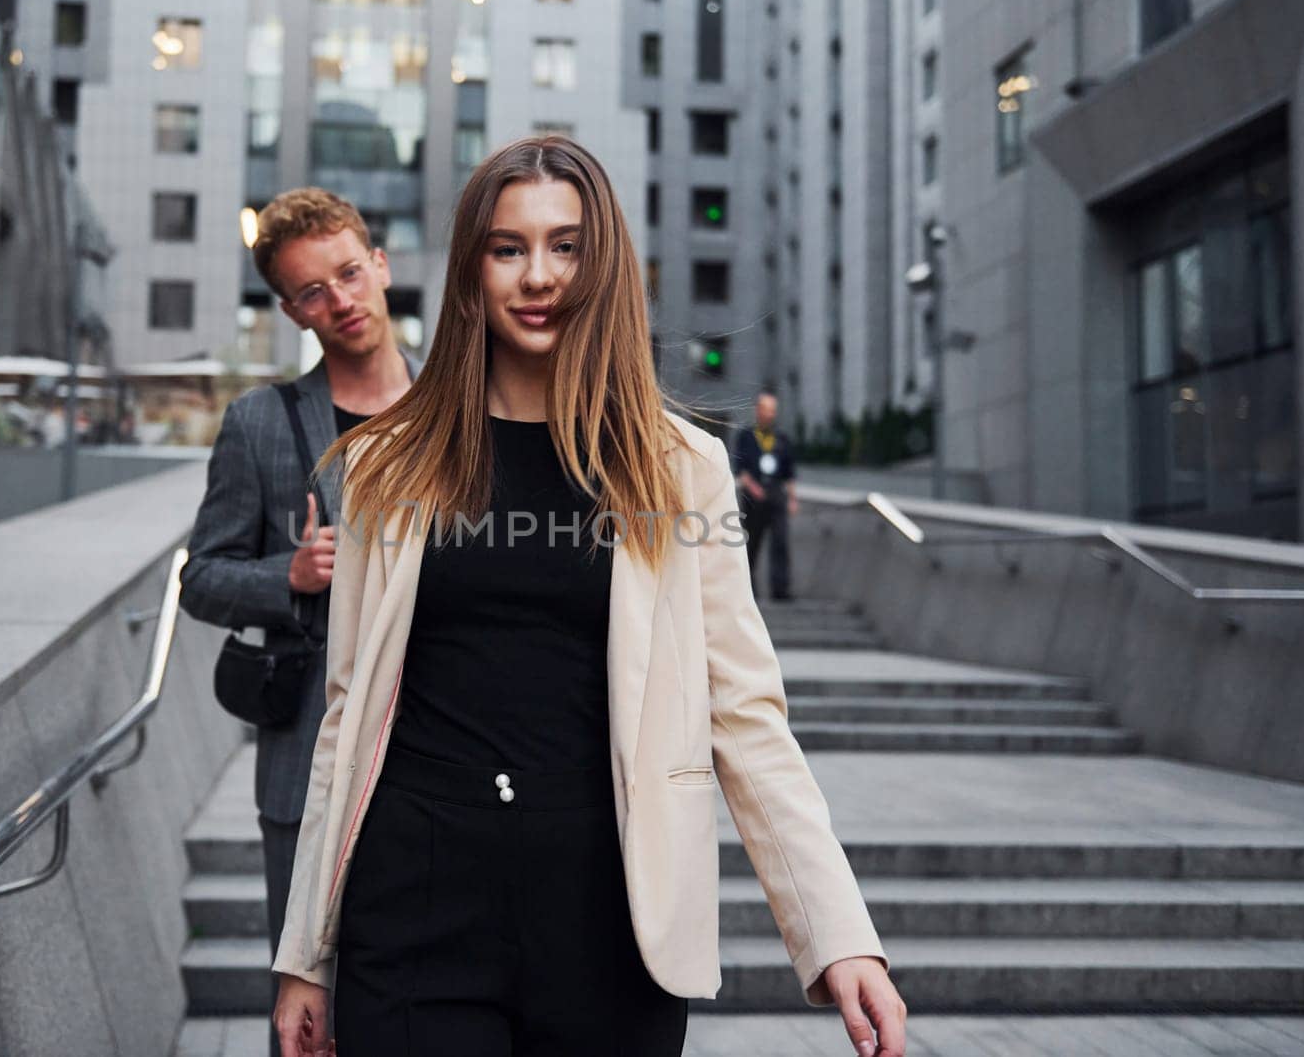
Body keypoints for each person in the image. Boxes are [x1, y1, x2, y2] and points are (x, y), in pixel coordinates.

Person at [271, 137, 905, 1057]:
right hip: (413, 902)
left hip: (610, 912)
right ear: (471, 270)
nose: (538, 276)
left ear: (602, 265)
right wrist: (305, 953)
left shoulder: (682, 468)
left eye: (566, 246)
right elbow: (347, 715)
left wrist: (838, 934)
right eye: (507, 248)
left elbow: (747, 714)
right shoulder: (382, 466)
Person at [177, 187, 418, 1046]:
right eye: (313, 291)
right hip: (309, 760)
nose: (341, 300)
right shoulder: (260, 424)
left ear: (380, 266)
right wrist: (292, 575)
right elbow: (200, 577)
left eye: (349, 273)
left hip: (438, 756)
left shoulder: (460, 410)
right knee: (308, 1017)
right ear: (289, 310)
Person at [732, 390, 798, 600]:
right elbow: (741, 470)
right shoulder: (746, 437)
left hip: (776, 494)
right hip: (754, 497)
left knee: (780, 541)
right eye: (765, 409)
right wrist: (753, 488)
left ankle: (780, 588)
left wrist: (793, 499)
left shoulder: (782, 439)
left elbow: (789, 474)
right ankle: (749, 590)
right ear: (757, 410)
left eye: (772, 410)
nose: (769, 414)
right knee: (752, 543)